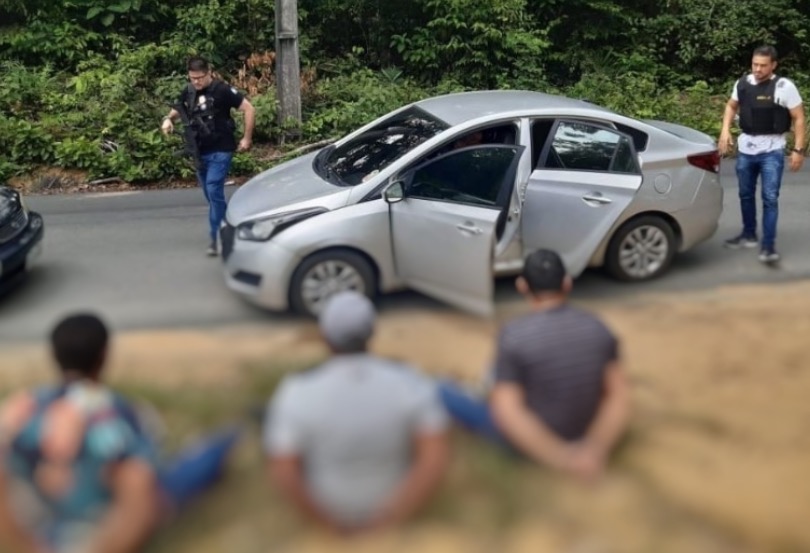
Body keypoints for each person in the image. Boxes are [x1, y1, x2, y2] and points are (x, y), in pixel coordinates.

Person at [0, 313, 239, 553]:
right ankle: (238, 433)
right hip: (101, 534)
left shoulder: (20, 410)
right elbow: (139, 488)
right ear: (104, 355)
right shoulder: (120, 414)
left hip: (46, 530)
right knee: (209, 453)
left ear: (53, 356)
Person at [263, 291, 449, 535]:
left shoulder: (296, 391)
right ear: (372, 333)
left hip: (329, 514)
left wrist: (327, 526)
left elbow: (284, 471)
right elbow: (435, 458)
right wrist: (390, 520)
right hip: (396, 512)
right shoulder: (409, 381)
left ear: (325, 337)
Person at [439, 249, 630, 482]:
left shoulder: (515, 335)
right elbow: (619, 396)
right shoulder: (597, 327)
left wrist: (564, 459)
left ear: (522, 286)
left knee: (443, 390)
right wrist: (594, 449)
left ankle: (473, 391)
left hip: (530, 445)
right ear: (567, 283)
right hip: (584, 431)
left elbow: (507, 411)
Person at [161, 56, 256, 257]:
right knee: (211, 197)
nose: (197, 82)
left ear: (209, 72)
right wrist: (168, 120)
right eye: (193, 78)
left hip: (221, 149)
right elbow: (177, 109)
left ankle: (219, 239)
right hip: (199, 151)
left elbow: (249, 108)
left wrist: (246, 138)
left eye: (200, 78)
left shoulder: (222, 90)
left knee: (214, 190)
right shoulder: (188, 91)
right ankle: (231, 225)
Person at [719, 45, 805, 264]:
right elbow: (731, 106)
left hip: (772, 151)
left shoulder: (784, 87)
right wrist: (725, 130)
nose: (757, 69)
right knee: (745, 195)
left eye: (763, 65)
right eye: (754, 64)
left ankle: (768, 247)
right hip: (746, 149)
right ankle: (748, 235)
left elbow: (799, 117)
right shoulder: (743, 84)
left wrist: (798, 149)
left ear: (773, 65)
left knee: (769, 199)